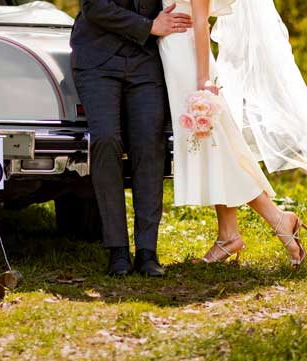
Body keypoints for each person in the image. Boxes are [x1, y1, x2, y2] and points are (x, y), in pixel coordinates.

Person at [158, 0, 307, 265]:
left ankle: (277, 220)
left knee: (219, 150)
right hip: (175, 57)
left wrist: (203, 79)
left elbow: (201, 19)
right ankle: (230, 234)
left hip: (189, 64)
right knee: (218, 151)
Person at [70, 0, 192, 276]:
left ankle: (148, 251)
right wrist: (149, 26)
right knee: (106, 140)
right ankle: (117, 250)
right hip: (97, 59)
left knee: (150, 145)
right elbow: (95, 8)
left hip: (146, 60)